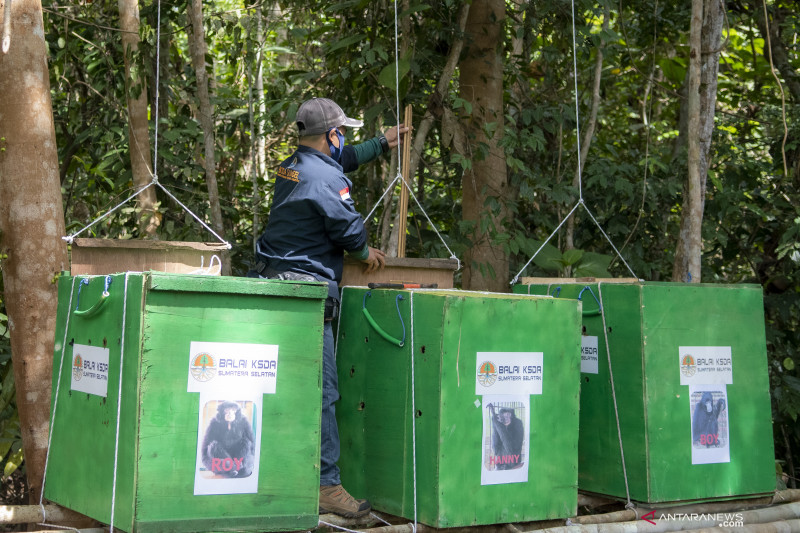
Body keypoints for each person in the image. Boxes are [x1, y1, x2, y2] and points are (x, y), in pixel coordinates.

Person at [250, 97, 408, 517]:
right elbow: (348, 229)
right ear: (331, 135)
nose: (344, 141)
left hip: (274, 281)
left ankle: (277, 472)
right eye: (342, 134)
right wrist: (363, 252)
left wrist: (383, 144)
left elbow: (337, 163)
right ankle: (326, 485)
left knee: (282, 385)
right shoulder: (324, 180)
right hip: (305, 292)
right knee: (323, 391)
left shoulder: (290, 167)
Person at [486, 404, 524, 470]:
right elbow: (496, 449)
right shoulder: (500, 424)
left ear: (512, 415)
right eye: (504, 415)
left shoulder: (518, 423)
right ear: (500, 416)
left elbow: (510, 447)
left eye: (508, 415)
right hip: (502, 461)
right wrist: (494, 421)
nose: (507, 418)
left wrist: (498, 424)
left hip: (513, 459)